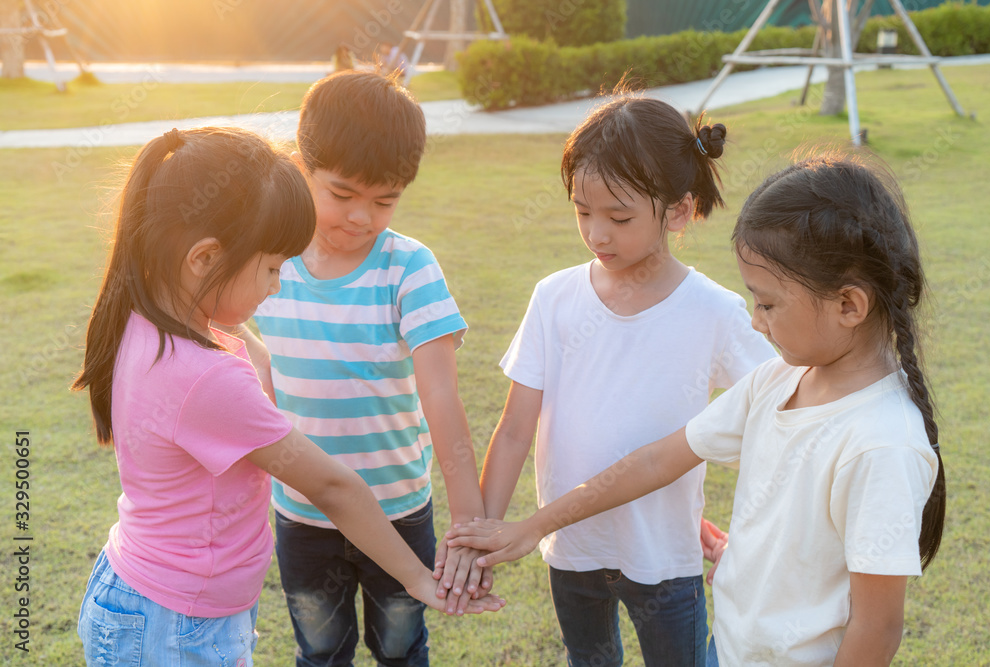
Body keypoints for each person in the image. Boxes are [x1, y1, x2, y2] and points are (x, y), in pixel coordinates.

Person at [449, 154, 947, 667]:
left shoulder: (881, 443)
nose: (754, 322)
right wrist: (535, 525)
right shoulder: (776, 382)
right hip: (726, 650)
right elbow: (652, 462)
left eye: (767, 304)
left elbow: (877, 629)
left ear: (849, 305)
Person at [72, 127, 503, 666]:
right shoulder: (206, 379)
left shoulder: (149, 321)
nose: (278, 285)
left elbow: (255, 354)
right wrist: (418, 579)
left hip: (157, 601)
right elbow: (332, 485)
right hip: (175, 627)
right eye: (273, 267)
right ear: (204, 259)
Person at [476, 94, 776, 667]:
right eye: (582, 211)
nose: (597, 234)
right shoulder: (555, 297)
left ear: (680, 211)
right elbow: (515, 428)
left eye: (619, 217)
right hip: (572, 549)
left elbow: (779, 416)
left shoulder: (714, 310)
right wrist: (487, 534)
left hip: (665, 557)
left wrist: (754, 537)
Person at [240, 71, 489, 667]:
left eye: (384, 200)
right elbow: (228, 337)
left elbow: (442, 398)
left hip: (398, 510)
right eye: (342, 193)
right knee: (321, 651)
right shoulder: (268, 263)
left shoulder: (410, 268)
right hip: (303, 512)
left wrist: (470, 521)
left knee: (402, 649)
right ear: (301, 165)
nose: (361, 217)